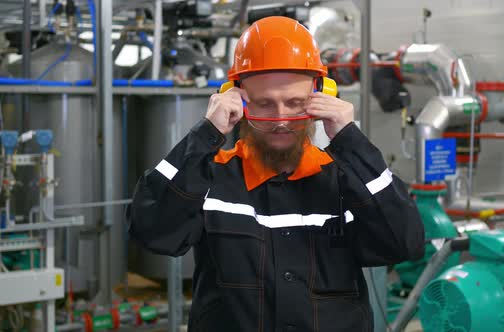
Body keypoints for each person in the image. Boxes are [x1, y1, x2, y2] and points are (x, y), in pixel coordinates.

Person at [127, 16, 424, 332]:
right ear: (236, 97)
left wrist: (351, 140)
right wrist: (205, 134)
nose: (281, 119)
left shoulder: (344, 180)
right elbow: (151, 231)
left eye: (295, 103)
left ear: (322, 96)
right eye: (264, 104)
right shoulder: (211, 179)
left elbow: (404, 243)